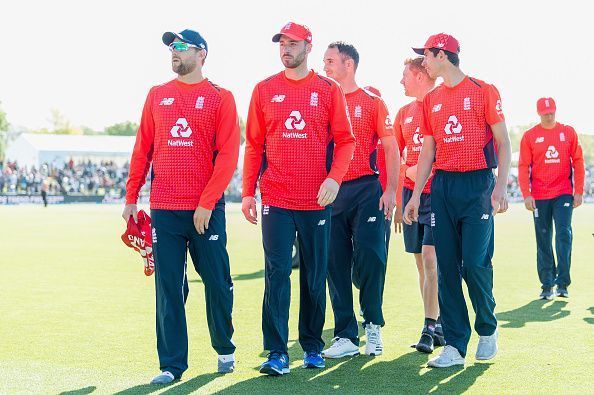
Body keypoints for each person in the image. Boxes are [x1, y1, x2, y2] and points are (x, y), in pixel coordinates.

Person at [122, 28, 240, 384]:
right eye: (171, 47)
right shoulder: (157, 95)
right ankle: (171, 365)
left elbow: (228, 156)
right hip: (165, 209)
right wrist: (131, 197)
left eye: (182, 46)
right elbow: (142, 148)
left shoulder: (221, 97)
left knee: (217, 283)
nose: (174, 51)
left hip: (206, 211)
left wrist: (207, 202)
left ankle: (224, 347)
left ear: (201, 54)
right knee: (169, 287)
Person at [242, 22, 355, 376]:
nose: (285, 48)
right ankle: (276, 352)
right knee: (277, 273)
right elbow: (254, 145)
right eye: (282, 43)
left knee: (314, 274)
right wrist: (248, 192)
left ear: (308, 46)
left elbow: (346, 141)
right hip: (275, 196)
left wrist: (335, 179)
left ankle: (311, 347)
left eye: (292, 43)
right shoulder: (263, 89)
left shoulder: (328, 89)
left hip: (316, 200)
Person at [403, 33, 512, 368]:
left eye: (426, 56)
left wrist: (501, 187)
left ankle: (487, 329)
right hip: (443, 187)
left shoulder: (483, 91)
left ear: (442, 55)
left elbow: (504, 143)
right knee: (447, 267)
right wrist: (417, 194)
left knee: (475, 265)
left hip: (478, 185)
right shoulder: (430, 99)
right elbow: (428, 151)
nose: (422, 62)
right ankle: (454, 344)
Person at [321, 42, 399, 358]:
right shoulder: (322, 101)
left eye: (330, 61)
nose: (324, 65)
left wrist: (391, 190)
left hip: (367, 190)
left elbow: (392, 149)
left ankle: (373, 326)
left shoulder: (373, 103)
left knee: (371, 256)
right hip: (331, 193)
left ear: (348, 64)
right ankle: (345, 336)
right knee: (335, 263)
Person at [395, 57, 444, 353]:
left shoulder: (441, 104)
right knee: (421, 263)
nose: (401, 81)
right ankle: (435, 322)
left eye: (404, 75)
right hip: (412, 195)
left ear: (420, 76)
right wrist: (404, 190)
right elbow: (395, 157)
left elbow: (449, 151)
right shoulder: (403, 113)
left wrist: (423, 170)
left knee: (431, 259)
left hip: (436, 194)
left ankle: (432, 326)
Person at [518, 98, 585, 300]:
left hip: (563, 192)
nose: (549, 115)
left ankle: (562, 283)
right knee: (544, 239)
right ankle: (547, 284)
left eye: (552, 112)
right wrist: (526, 194)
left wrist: (579, 191)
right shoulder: (530, 136)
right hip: (539, 195)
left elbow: (579, 161)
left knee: (564, 234)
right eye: (545, 112)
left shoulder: (568, 132)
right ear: (539, 113)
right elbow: (523, 166)